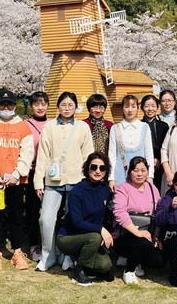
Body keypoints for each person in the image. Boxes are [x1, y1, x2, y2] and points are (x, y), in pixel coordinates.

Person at [33, 92, 94, 272]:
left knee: (72, 220)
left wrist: (88, 181)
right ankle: (48, 256)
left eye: (70, 105)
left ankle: (68, 255)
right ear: (58, 106)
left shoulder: (82, 127)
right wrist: (38, 182)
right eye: (64, 105)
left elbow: (88, 155)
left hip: (77, 180)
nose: (67, 108)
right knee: (46, 219)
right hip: (53, 180)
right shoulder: (50, 126)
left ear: (76, 107)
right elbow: (43, 155)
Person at [0, 90, 34, 271]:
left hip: (16, 181)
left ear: (15, 105)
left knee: (16, 217)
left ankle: (17, 252)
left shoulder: (23, 127)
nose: (6, 107)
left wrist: (17, 174)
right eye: (2, 104)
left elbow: (27, 153)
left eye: (9, 104)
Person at [55, 152, 115, 286]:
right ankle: (79, 270)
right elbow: (77, 222)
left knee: (105, 267)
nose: (98, 171)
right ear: (87, 168)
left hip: (91, 238)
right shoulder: (77, 191)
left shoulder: (105, 189)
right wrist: (100, 230)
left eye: (102, 168)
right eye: (94, 167)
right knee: (95, 237)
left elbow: (104, 215)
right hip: (68, 237)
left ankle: (81, 259)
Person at [112, 156, 164, 285]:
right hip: (124, 235)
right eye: (135, 170)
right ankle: (129, 270)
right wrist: (138, 233)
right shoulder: (123, 188)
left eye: (143, 170)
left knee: (159, 261)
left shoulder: (152, 189)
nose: (140, 174)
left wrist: (156, 236)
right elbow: (119, 213)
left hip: (147, 234)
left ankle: (137, 260)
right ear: (129, 172)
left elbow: (158, 213)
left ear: (147, 172)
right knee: (142, 243)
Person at [108, 94, 154, 192]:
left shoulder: (144, 127)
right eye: (126, 106)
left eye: (133, 106)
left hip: (140, 176)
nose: (130, 110)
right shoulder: (115, 128)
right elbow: (112, 155)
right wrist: (111, 178)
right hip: (120, 175)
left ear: (138, 108)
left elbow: (149, 153)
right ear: (122, 108)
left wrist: (150, 176)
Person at [24, 92, 49, 262]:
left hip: (50, 172)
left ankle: (50, 244)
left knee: (51, 212)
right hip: (31, 171)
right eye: (36, 104)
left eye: (43, 104)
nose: (40, 107)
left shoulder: (53, 124)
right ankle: (34, 244)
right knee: (32, 210)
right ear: (31, 106)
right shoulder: (25, 125)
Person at [141, 94, 169, 192]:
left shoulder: (163, 126)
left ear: (157, 107)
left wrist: (158, 158)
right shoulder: (139, 125)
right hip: (143, 164)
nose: (150, 109)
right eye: (147, 106)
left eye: (153, 106)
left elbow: (166, 145)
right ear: (142, 108)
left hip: (160, 164)